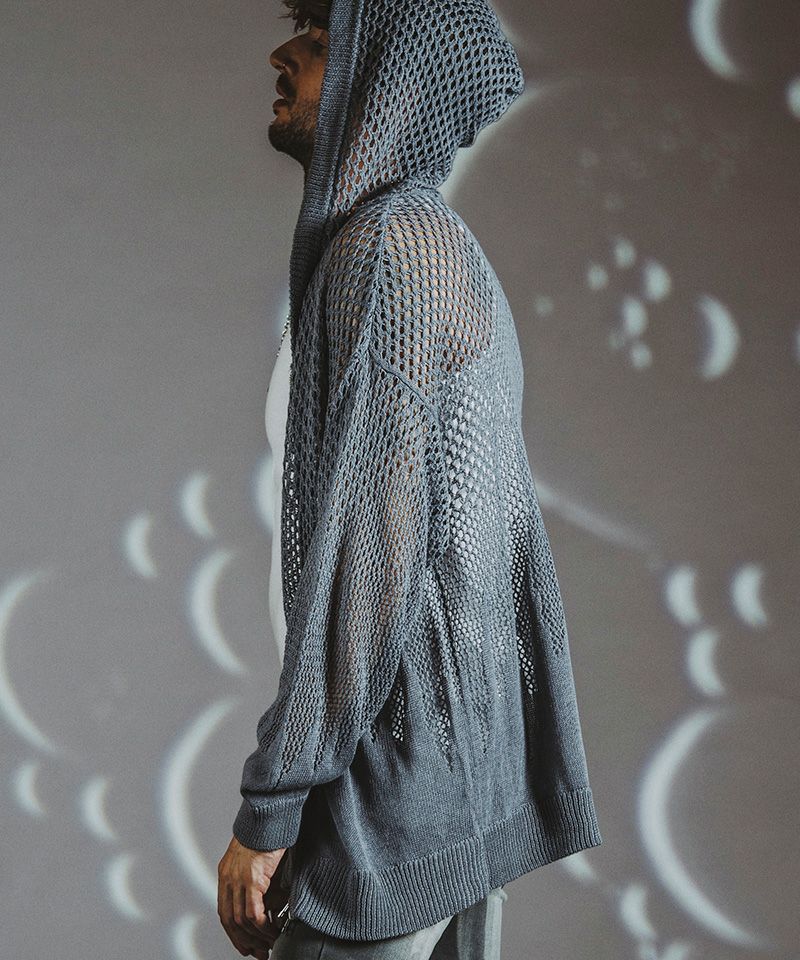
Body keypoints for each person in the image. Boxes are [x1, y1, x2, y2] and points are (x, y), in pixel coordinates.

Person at [217, 1, 603, 958]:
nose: (283, 53)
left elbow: (375, 562)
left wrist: (273, 805)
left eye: (318, 34)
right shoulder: (426, 241)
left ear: (385, 74)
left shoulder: (390, 251)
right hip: (452, 777)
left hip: (397, 795)